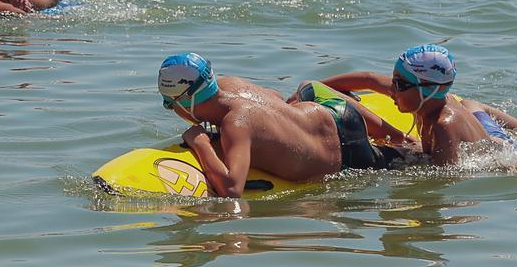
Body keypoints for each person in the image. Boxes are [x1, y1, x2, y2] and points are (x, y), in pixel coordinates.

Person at [156, 53, 410, 197]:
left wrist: (200, 142)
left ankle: (404, 147)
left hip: (348, 160)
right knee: (306, 88)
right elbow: (274, 97)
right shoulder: (231, 84)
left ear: (185, 102)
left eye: (170, 104)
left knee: (415, 164)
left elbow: (232, 189)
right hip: (337, 114)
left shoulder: (235, 124)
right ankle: (400, 137)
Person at [319, 45, 517, 166]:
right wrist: (318, 88)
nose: (392, 89)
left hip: (501, 152)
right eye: (394, 80)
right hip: (485, 135)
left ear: (428, 89)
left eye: (399, 84)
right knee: (469, 104)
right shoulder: (416, 93)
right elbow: (369, 79)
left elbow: (445, 176)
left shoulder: (443, 126)